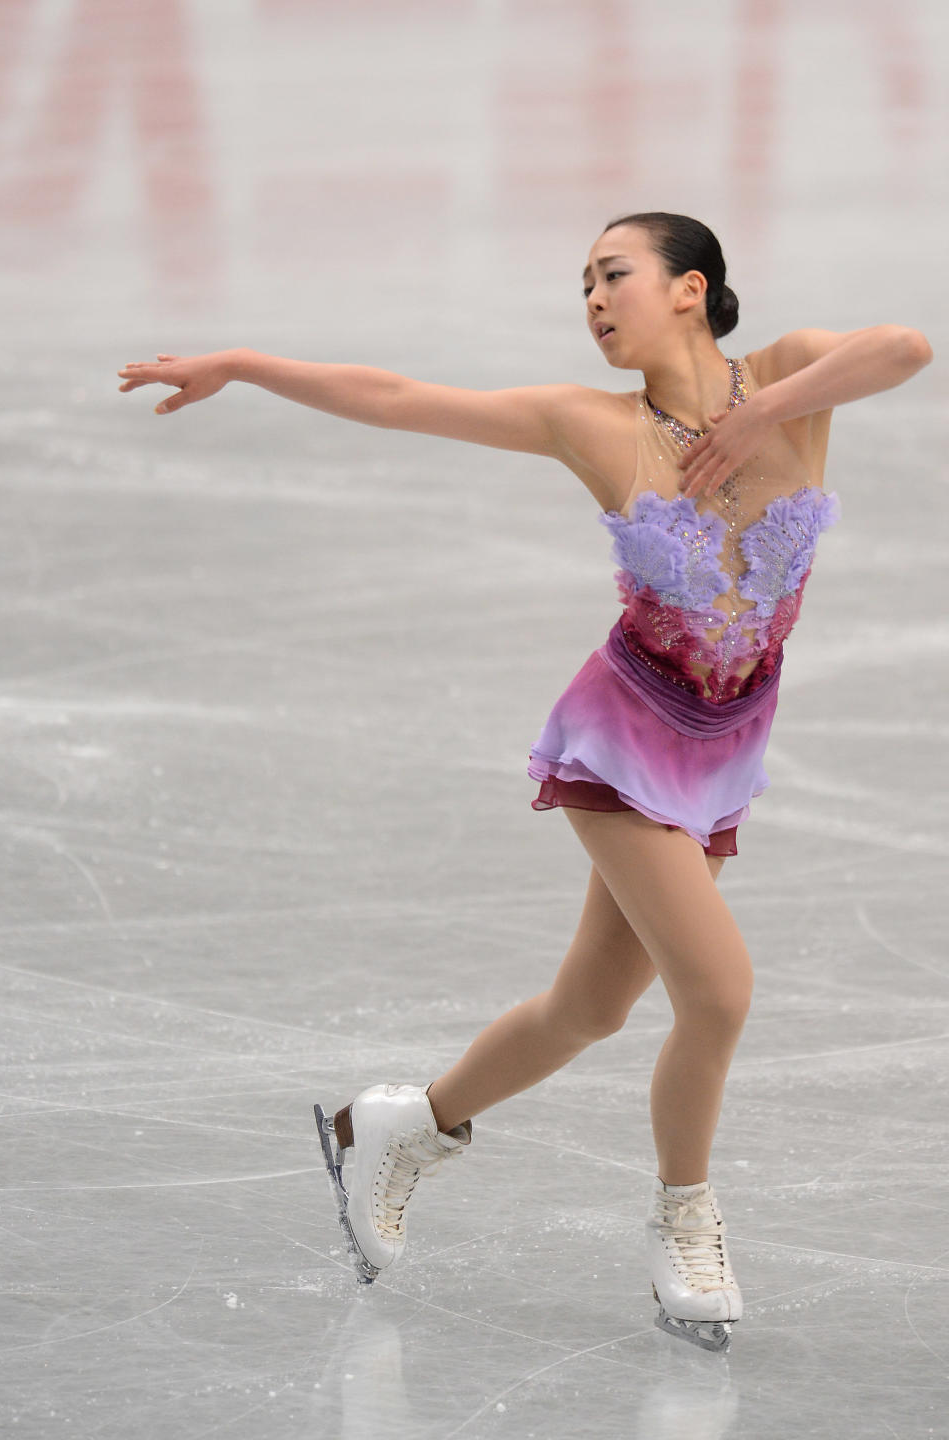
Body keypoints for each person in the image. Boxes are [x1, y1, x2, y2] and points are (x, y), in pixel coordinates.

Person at [117, 210, 932, 1352]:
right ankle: (683, 1217)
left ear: (690, 288)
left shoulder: (798, 376)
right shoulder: (588, 424)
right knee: (720, 993)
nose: (594, 301)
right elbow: (398, 397)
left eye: (614, 275)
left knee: (589, 1007)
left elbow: (907, 346)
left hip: (723, 750)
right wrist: (245, 364)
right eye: (582, 287)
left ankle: (401, 1127)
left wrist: (762, 415)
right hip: (623, 738)